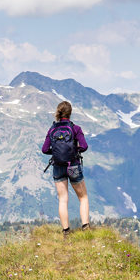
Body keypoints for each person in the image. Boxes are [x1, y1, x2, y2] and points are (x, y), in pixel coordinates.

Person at [42, 100, 90, 235]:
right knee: (83, 197)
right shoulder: (75, 128)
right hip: (73, 165)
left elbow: (45, 149)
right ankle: (86, 228)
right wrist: (73, 151)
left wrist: (57, 153)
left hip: (58, 166)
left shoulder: (52, 129)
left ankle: (66, 231)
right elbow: (84, 146)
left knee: (63, 200)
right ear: (70, 113)